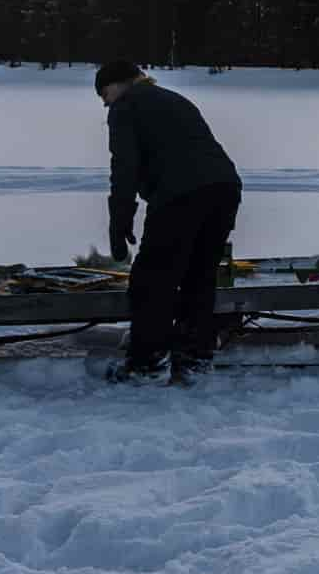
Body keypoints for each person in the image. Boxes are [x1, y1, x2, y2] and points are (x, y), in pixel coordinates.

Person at [97, 60, 243, 386]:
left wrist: (119, 222)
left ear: (118, 84)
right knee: (198, 276)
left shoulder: (125, 107)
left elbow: (124, 169)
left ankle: (146, 364)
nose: (105, 102)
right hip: (225, 189)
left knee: (152, 280)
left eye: (104, 94)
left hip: (181, 195)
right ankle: (195, 359)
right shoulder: (174, 98)